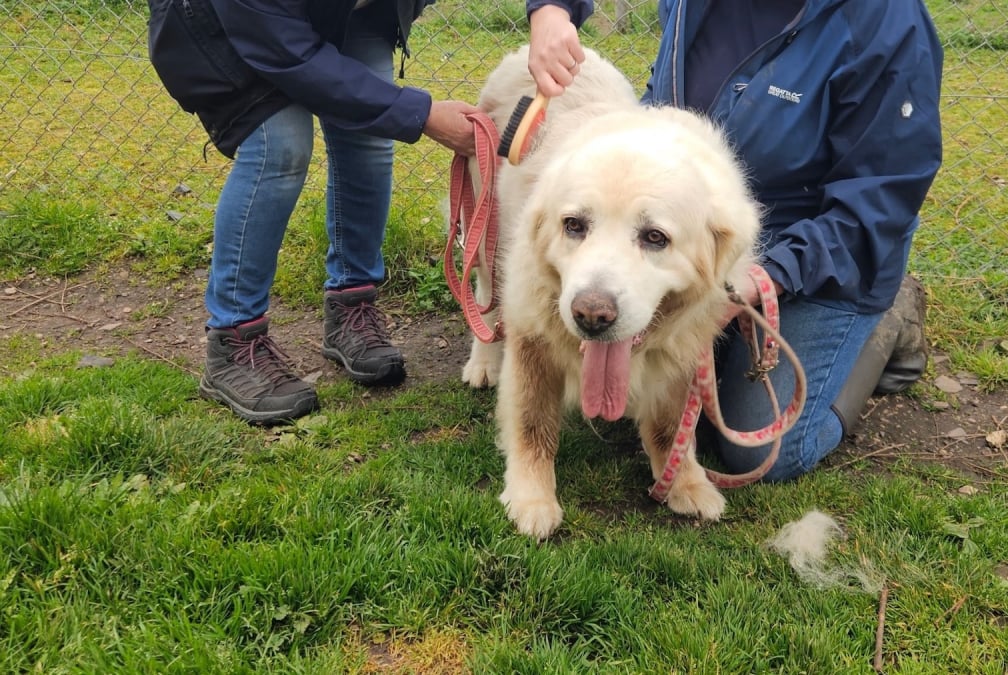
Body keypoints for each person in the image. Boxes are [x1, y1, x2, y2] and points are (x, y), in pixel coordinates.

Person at [147, 0, 594, 424]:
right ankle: (233, 340)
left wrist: (552, 10)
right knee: (278, 147)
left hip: (350, 11)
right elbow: (286, 51)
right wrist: (420, 115)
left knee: (369, 141)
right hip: (242, 23)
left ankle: (351, 306)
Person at [643, 0, 944, 480]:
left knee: (763, 452)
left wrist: (771, 275)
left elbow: (882, 194)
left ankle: (890, 324)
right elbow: (658, 110)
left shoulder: (887, 20)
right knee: (637, 393)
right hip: (702, 238)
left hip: (826, 253)